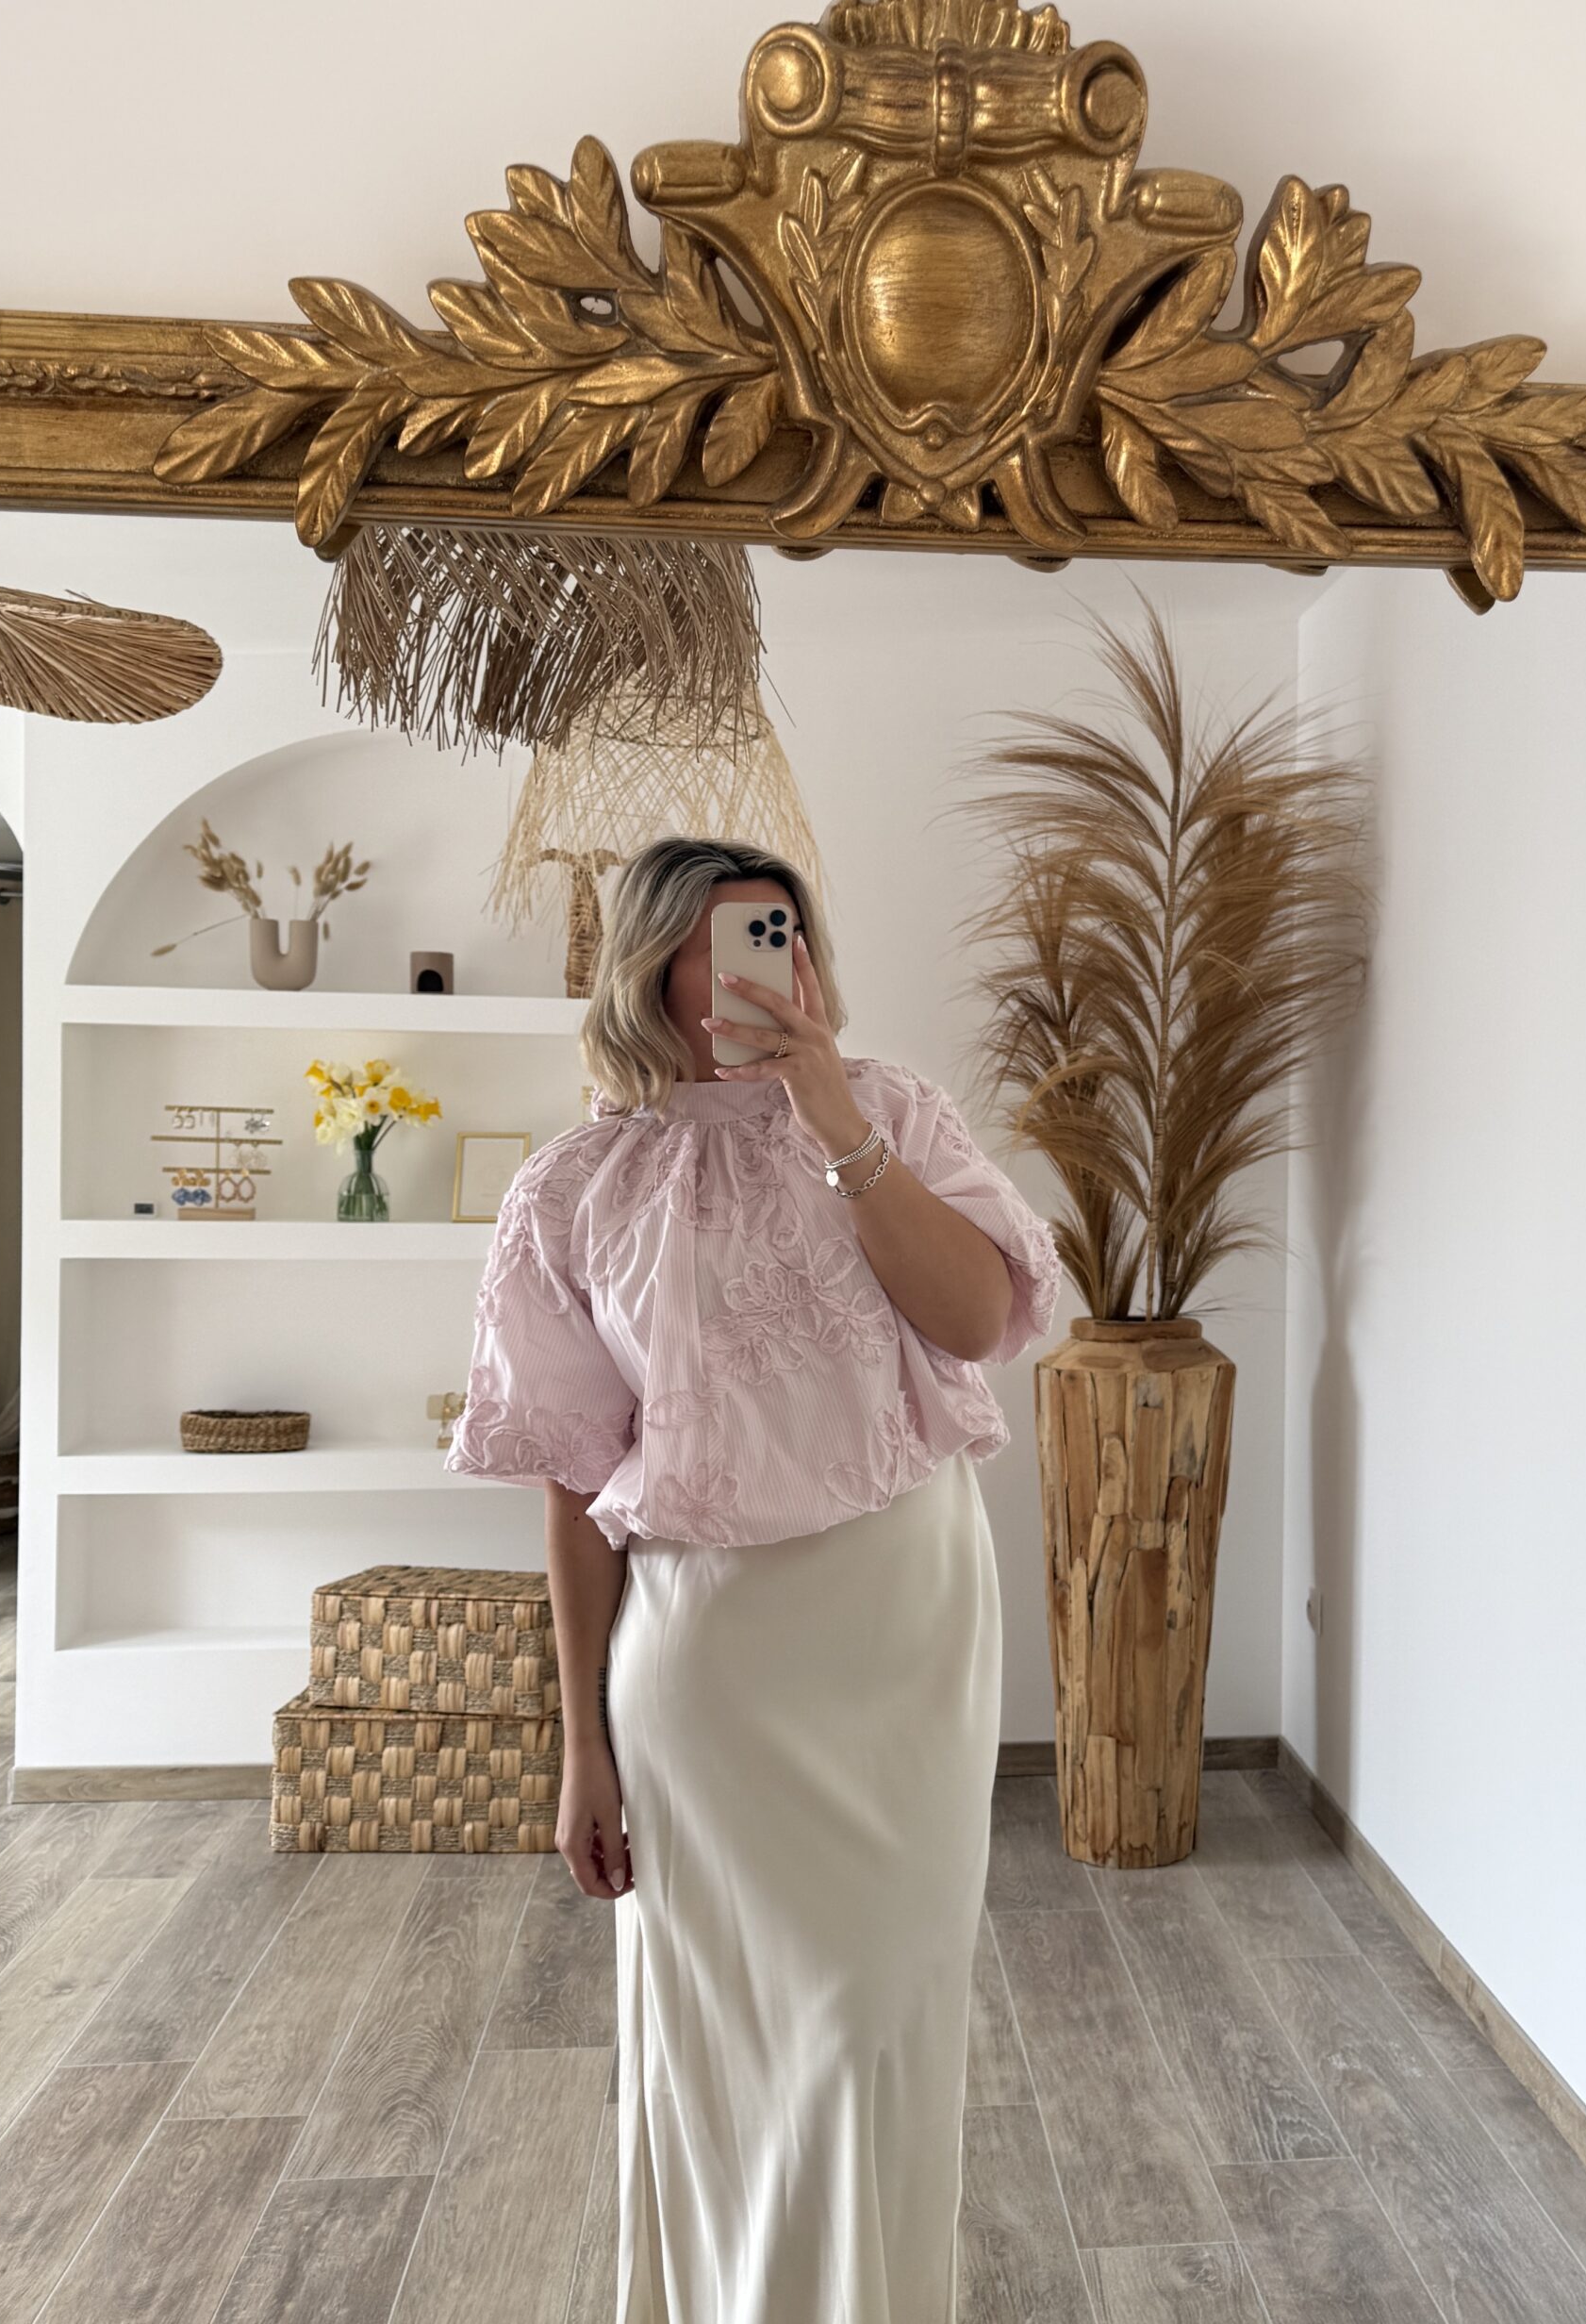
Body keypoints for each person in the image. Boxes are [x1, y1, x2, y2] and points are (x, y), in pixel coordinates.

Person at [445, 833, 1064, 2322]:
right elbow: (576, 1484)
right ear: (652, 967)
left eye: (779, 934)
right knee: (724, 2033)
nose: (756, 969)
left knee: (878, 2021)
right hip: (709, 1658)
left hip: (906, 1620)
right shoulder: (576, 1185)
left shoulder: (892, 1110)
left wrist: (836, 1117)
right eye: (721, 940)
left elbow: (976, 1319)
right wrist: (581, 1746)